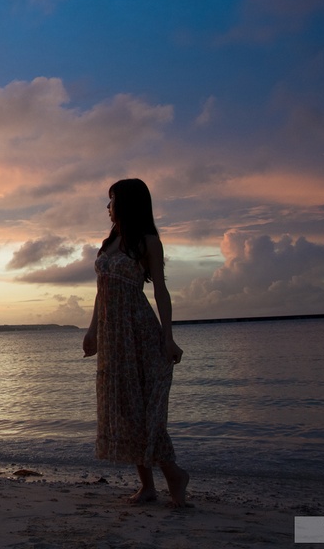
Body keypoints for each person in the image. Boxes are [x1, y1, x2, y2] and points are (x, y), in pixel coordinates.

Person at [82, 178, 189, 508]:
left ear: (127, 204)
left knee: (146, 411)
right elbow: (102, 293)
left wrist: (168, 338)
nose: (108, 207)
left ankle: (173, 475)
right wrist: (92, 331)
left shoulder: (148, 241)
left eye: (111, 200)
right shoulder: (109, 242)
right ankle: (147, 487)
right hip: (113, 338)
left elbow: (160, 291)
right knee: (126, 413)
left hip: (138, 333)